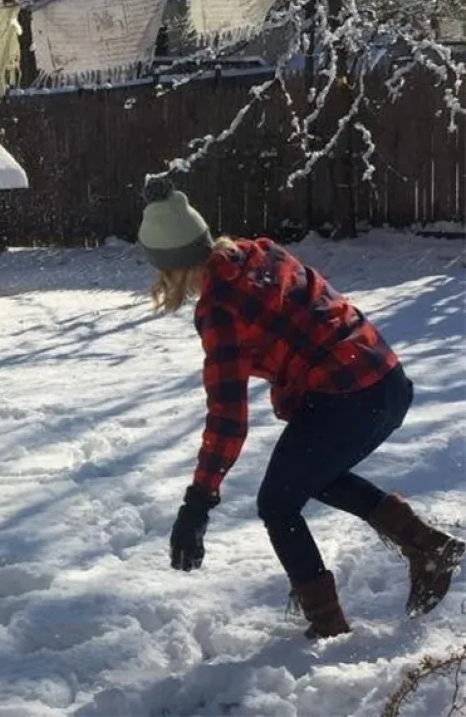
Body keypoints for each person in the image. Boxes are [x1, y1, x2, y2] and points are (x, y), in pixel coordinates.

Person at [137, 178, 465, 639]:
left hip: (348, 395)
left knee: (278, 502)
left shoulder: (220, 309)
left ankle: (328, 628)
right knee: (311, 477)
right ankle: (427, 547)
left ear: (168, 266)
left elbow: (227, 416)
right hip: (385, 379)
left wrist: (198, 501)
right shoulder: (258, 252)